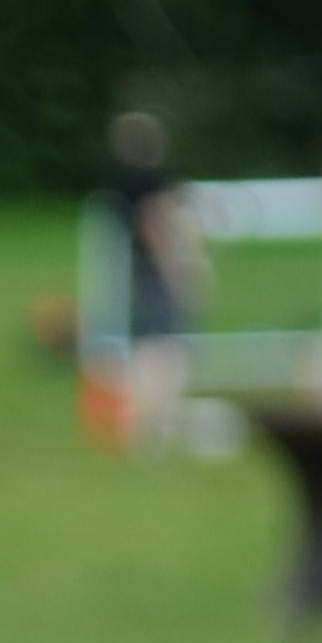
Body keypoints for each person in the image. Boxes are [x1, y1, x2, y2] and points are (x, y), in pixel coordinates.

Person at [102, 106, 206, 448]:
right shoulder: (152, 180)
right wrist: (176, 268)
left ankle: (144, 422)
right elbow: (155, 223)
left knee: (149, 341)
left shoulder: (122, 180)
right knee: (165, 346)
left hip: (137, 267)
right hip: (157, 266)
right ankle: (160, 423)